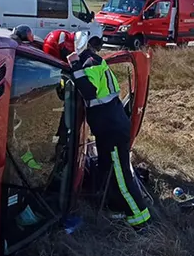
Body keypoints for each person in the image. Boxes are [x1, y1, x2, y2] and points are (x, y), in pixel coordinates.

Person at [54, 28, 152, 229]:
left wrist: (74, 65)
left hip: (111, 130)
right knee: (107, 169)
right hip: (109, 127)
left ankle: (141, 219)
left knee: (121, 174)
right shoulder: (93, 61)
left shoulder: (88, 65)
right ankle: (116, 208)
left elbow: (89, 92)